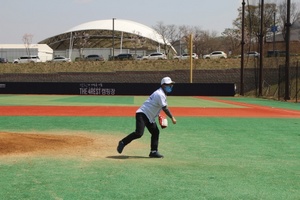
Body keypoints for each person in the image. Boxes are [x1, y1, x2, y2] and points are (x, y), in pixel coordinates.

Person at [117, 77, 177, 158]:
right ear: (163, 85)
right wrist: (172, 117)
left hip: (149, 117)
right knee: (139, 133)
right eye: (168, 85)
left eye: (171, 85)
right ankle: (123, 142)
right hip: (142, 114)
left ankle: (153, 151)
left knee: (155, 132)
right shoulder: (160, 94)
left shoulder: (162, 94)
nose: (170, 86)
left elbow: (155, 106)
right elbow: (165, 108)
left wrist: (159, 115)